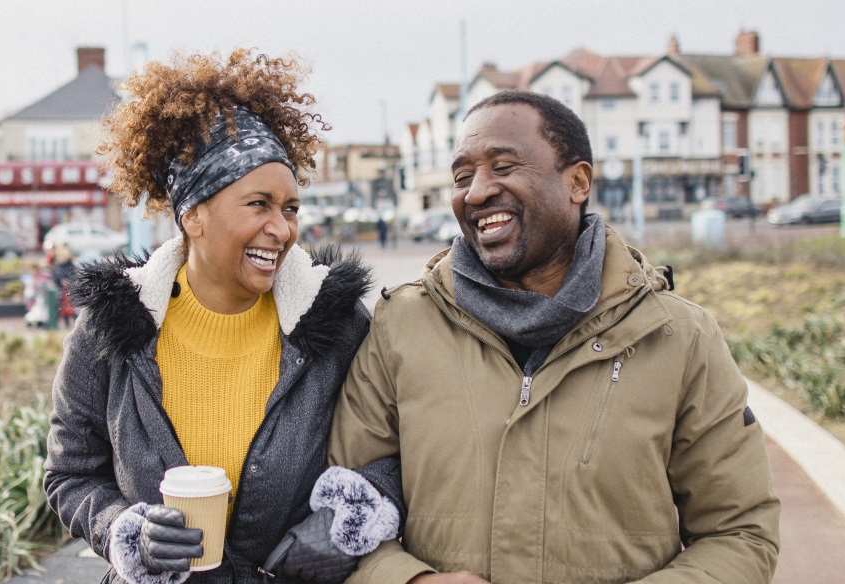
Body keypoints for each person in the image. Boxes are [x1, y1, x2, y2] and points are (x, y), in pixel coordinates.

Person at [330, 90, 781, 584]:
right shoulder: (401, 325)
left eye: (503, 167)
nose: (476, 192)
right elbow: (344, 499)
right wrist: (408, 580)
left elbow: (739, 532)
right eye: (463, 177)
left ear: (578, 182)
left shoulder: (679, 337)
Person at [45, 49, 401, 584]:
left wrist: (343, 521)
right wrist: (125, 530)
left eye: (290, 208)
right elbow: (70, 474)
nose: (281, 229)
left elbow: (395, 448)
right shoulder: (111, 329)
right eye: (258, 204)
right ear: (193, 215)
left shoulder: (336, 324)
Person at [49, 241, 78, 328]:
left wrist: (69, 281)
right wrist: (60, 282)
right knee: (64, 310)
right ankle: (66, 325)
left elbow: (75, 275)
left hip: (70, 291)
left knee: (72, 310)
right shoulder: (56, 266)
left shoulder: (71, 265)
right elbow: (55, 277)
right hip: (61, 291)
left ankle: (76, 325)